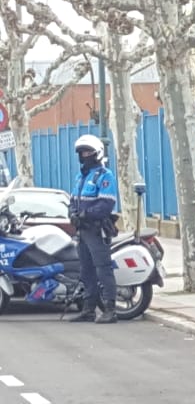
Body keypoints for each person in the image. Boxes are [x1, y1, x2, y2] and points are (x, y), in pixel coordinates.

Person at [69, 134, 120, 324]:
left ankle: (110, 310)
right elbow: (73, 201)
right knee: (86, 270)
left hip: (97, 231)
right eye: (82, 152)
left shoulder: (104, 176)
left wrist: (85, 214)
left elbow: (106, 204)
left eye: (88, 152)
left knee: (103, 269)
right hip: (82, 231)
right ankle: (88, 309)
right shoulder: (80, 177)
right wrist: (72, 214)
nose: (84, 155)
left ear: (97, 153)